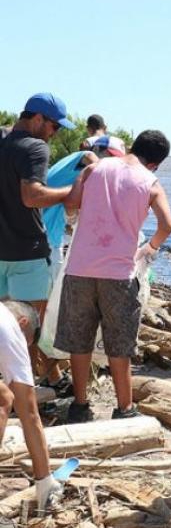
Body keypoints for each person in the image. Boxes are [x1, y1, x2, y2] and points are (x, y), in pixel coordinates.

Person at [55, 130, 171, 423]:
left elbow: (71, 204)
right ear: (156, 163)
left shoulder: (95, 169)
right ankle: (124, 408)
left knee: (78, 340)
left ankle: (80, 405)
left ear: (132, 147)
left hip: (80, 267)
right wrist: (149, 247)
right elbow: (167, 224)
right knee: (119, 345)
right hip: (120, 272)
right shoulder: (150, 182)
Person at [0, 93, 76, 392]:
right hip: (27, 253)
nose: (53, 134)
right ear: (37, 119)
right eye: (54, 127)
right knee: (29, 328)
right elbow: (31, 196)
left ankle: (21, 386)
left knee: (5, 327)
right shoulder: (35, 147)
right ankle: (28, 393)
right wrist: (69, 192)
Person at [0, 300, 64, 512]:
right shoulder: (12, 328)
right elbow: (30, 415)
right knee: (4, 399)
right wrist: (45, 481)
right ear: (23, 323)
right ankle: (46, 486)